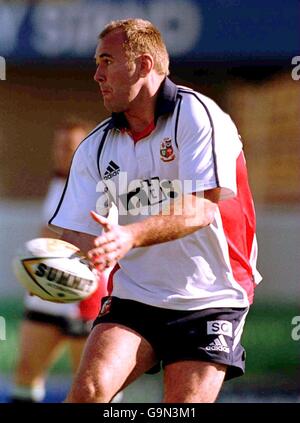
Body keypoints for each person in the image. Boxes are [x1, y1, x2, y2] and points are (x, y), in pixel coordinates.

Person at [49, 19, 262, 403]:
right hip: (136, 297)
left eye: (107, 61)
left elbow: (200, 208)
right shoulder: (96, 146)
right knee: (88, 395)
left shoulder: (199, 115)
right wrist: (88, 252)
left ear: (144, 65)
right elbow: (78, 229)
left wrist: (128, 236)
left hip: (212, 296)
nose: (97, 75)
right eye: (97, 63)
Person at [10, 118, 110, 403]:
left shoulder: (101, 186)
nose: (62, 152)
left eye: (69, 146)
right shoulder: (58, 181)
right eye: (59, 145)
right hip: (46, 290)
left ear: (87, 149)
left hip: (82, 294)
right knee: (26, 370)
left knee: (91, 386)